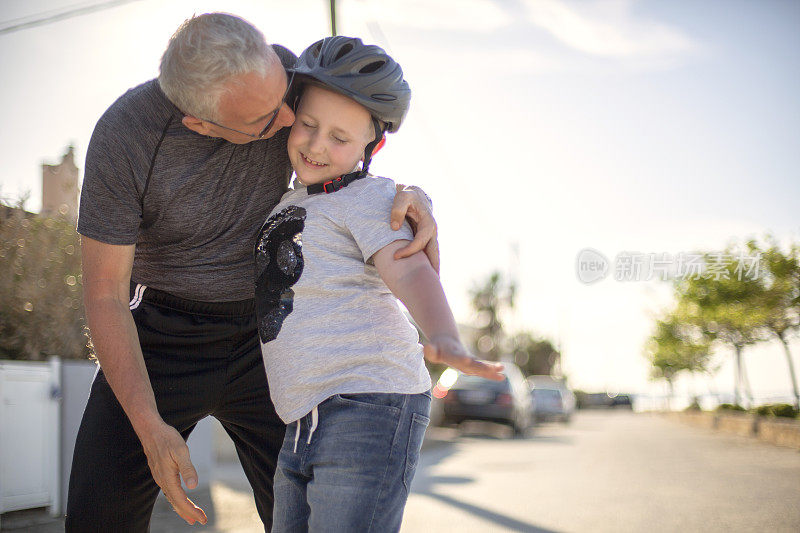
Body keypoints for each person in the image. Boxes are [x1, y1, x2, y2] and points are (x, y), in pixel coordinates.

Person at [66, 13, 445, 532]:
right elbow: (105, 294)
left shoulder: (290, 79)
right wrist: (151, 429)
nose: (291, 121)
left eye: (287, 96)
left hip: (270, 335)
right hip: (159, 335)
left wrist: (411, 196)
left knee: (304, 518)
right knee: (95, 516)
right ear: (199, 124)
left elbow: (350, 142)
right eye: (267, 121)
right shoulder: (126, 137)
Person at [255, 36, 505, 532]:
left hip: (369, 404)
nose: (316, 144)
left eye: (339, 138)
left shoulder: (372, 199)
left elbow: (409, 268)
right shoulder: (286, 203)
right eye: (308, 125)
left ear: (374, 146)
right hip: (303, 417)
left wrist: (444, 334)